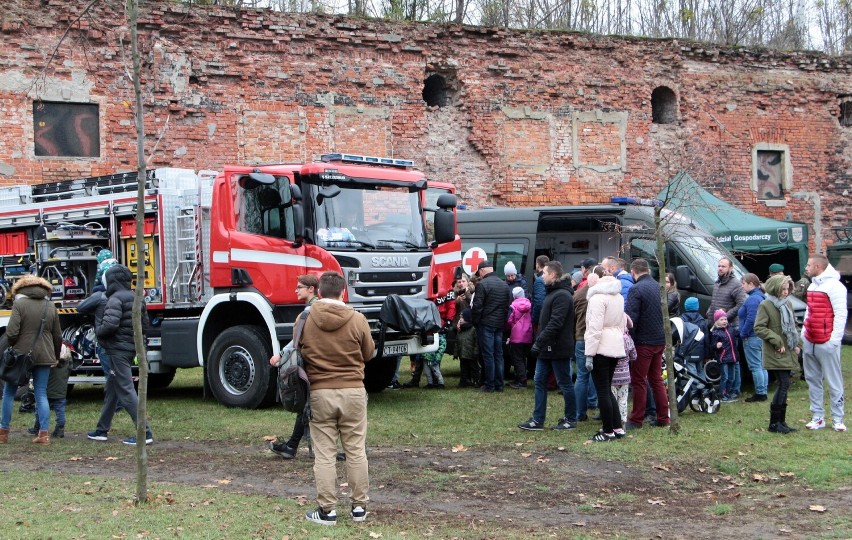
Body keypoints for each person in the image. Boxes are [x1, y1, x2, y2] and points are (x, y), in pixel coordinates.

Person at [301, 271, 374, 526]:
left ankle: (327, 510)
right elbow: (368, 353)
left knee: (324, 454)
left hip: (320, 392)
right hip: (353, 391)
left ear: (318, 292)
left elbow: (298, 351)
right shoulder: (358, 319)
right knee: (355, 451)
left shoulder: (305, 319)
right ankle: (359, 508)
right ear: (343, 292)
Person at [86, 265, 153, 446]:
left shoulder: (114, 299)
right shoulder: (137, 297)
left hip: (117, 351)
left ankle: (144, 433)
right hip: (131, 348)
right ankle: (101, 430)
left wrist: (97, 332)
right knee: (113, 389)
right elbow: (145, 326)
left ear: (112, 282)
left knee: (125, 390)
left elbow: (109, 325)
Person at [1, 275, 63, 445]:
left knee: (9, 392)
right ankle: (43, 434)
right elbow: (57, 335)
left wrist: (15, 346)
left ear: (20, 289)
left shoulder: (19, 304)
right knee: (41, 393)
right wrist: (55, 356)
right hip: (44, 354)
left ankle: (3, 433)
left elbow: (12, 333)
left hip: (21, 355)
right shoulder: (50, 305)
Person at [518, 261, 577, 431]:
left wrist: (539, 342)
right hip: (547, 347)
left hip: (557, 347)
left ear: (553, 275)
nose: (542, 276)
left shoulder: (562, 295)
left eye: (544, 273)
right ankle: (538, 420)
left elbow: (555, 323)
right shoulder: (553, 293)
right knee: (539, 381)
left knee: (565, 382)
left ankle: (570, 419)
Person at [268, 274, 319, 459]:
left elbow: (296, 341)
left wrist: (280, 355)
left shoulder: (309, 313)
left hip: (312, 365)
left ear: (311, 289)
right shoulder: (319, 309)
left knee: (306, 405)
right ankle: (292, 446)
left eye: (299, 287)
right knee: (307, 405)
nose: (296, 290)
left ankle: (293, 447)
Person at [801, 254, 847, 432]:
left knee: (834, 381)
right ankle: (817, 417)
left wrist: (834, 341)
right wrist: (805, 334)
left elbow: (840, 314)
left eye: (809, 265)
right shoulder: (813, 285)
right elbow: (809, 311)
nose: (806, 267)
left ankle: (837, 418)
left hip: (826, 341)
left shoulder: (836, 287)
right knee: (813, 380)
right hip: (810, 340)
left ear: (818, 267)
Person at [624, 258, 669, 430]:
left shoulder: (636, 289)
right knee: (656, 379)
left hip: (643, 342)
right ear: (648, 270)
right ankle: (664, 417)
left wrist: (629, 340)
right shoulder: (659, 287)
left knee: (638, 380)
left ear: (633, 272)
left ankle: (636, 419)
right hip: (659, 340)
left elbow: (631, 319)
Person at [753, 275, 801, 434]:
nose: (786, 292)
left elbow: (793, 325)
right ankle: (774, 423)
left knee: (785, 385)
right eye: (783, 289)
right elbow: (759, 327)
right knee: (783, 383)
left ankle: (781, 421)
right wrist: (777, 340)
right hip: (776, 350)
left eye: (788, 289)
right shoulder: (765, 305)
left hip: (788, 349)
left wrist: (797, 344)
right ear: (775, 288)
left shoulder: (787, 304)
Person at [583, 273, 626, 441]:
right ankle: (617, 427)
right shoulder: (618, 298)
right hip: (615, 346)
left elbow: (594, 328)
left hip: (600, 347)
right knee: (607, 389)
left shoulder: (597, 299)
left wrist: (589, 353)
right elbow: (621, 323)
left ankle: (608, 431)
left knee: (602, 391)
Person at [706, 257, 746, 397]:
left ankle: (735, 389)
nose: (720, 268)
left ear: (730, 268)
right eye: (719, 266)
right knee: (723, 359)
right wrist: (710, 314)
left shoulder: (735, 284)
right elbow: (714, 302)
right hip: (717, 328)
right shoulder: (717, 283)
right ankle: (725, 388)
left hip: (731, 328)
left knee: (733, 361)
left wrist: (724, 316)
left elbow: (741, 303)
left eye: (723, 266)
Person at [471, 260, 511, 393]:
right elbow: (508, 306)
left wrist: (476, 322)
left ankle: (490, 385)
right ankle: (499, 384)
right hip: (499, 324)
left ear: (482, 271)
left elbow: (477, 307)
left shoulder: (482, 284)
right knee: (498, 355)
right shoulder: (504, 284)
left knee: (488, 355)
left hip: (486, 324)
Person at [574, 267, 603, 421]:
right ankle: (595, 402)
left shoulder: (577, 294)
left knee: (581, 376)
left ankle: (579, 413)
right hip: (597, 338)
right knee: (598, 374)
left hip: (580, 338)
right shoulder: (601, 295)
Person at [27, 343, 71, 439]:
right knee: (60, 411)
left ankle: (38, 426)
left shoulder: (49, 363)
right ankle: (60, 429)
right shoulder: (67, 363)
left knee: (40, 407)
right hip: (61, 392)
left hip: (47, 391)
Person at [738, 273, 768, 403]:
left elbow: (751, 319)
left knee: (755, 365)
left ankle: (760, 392)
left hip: (752, 336)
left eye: (743, 283)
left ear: (751, 284)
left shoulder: (753, 299)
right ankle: (763, 390)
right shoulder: (761, 297)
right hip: (760, 336)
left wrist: (743, 333)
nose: (742, 286)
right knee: (762, 365)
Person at [710, 310, 739, 402]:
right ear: (716, 321)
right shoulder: (716, 332)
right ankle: (722, 393)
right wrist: (716, 345)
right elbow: (712, 346)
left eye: (725, 319)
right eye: (721, 319)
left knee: (732, 377)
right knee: (725, 377)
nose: (724, 321)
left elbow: (737, 335)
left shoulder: (731, 329)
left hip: (733, 357)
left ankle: (728, 392)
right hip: (723, 358)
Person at [507, 286, 533, 389]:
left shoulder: (513, 305)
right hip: (527, 334)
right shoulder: (529, 304)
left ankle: (522, 381)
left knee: (517, 359)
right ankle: (519, 378)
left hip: (517, 335)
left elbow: (510, 320)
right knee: (523, 358)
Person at [455, 308, 480, 388]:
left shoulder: (473, 329)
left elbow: (476, 342)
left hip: (471, 354)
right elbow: (457, 342)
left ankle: (476, 381)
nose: (460, 319)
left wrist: (475, 352)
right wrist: (456, 353)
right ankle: (463, 382)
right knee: (463, 369)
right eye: (460, 317)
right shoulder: (460, 330)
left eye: (462, 317)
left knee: (474, 368)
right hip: (462, 354)